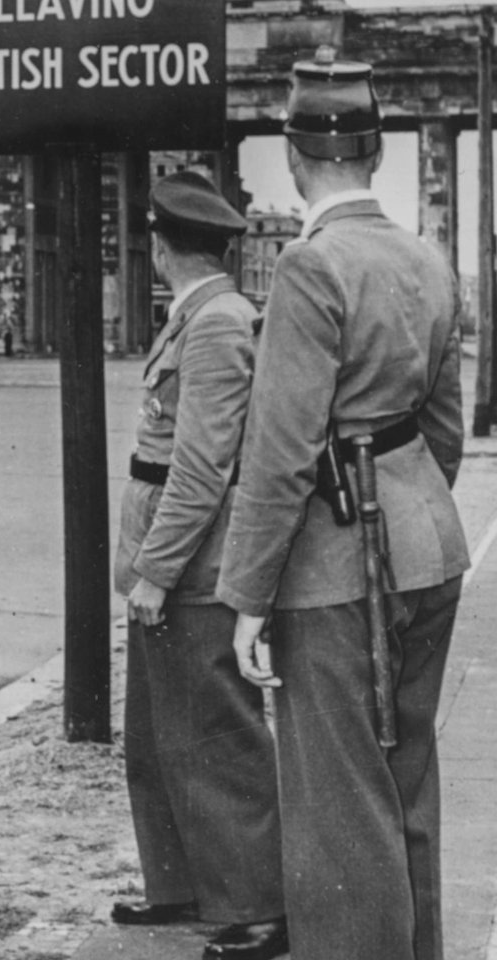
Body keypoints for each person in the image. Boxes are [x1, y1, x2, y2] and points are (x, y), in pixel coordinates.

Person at [216, 52, 469, 960]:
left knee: (337, 808)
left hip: (335, 569)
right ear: (374, 151)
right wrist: (404, 504)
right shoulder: (427, 259)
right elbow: (444, 429)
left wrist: (246, 596)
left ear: (294, 155)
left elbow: (279, 453)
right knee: (405, 782)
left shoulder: (309, 269)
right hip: (429, 548)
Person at [112, 169, 288, 960]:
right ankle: (180, 885)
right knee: (156, 736)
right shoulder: (199, 314)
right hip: (167, 557)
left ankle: (257, 904)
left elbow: (201, 468)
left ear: (158, 246)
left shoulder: (216, 324)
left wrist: (156, 570)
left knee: (215, 734)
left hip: (193, 565)